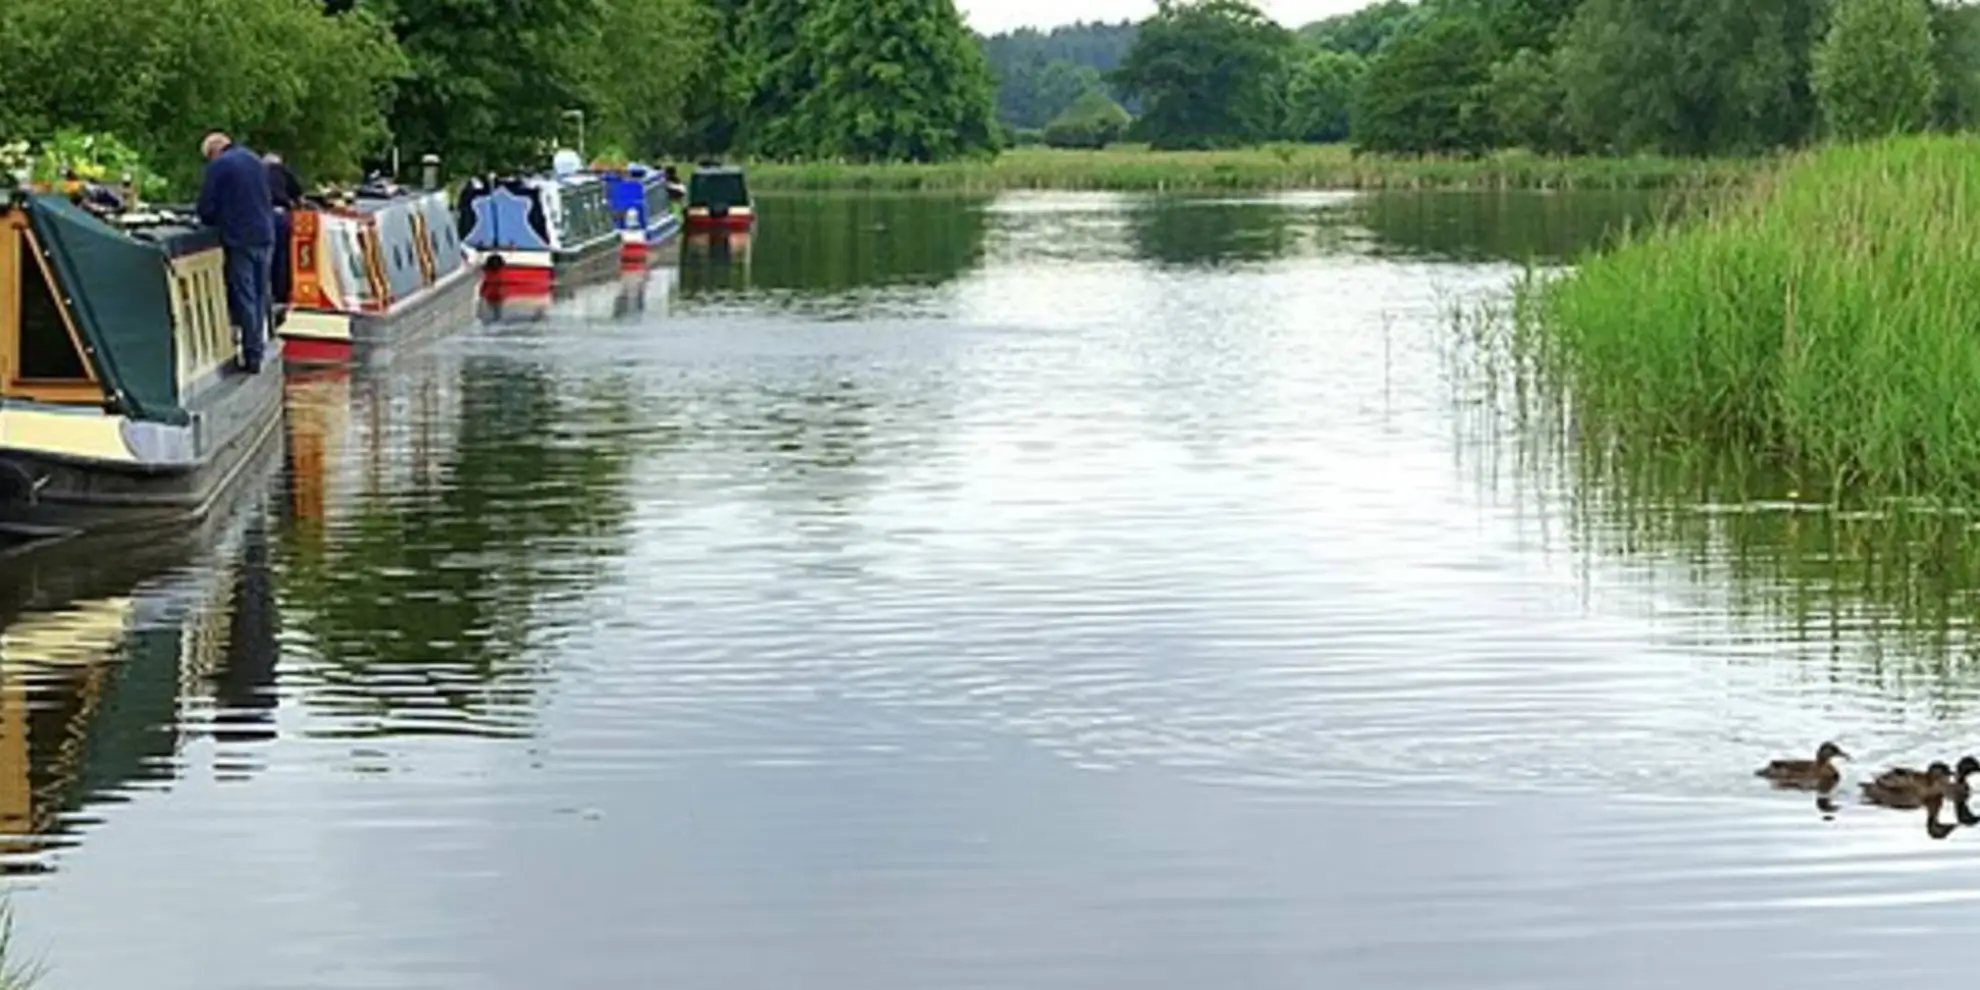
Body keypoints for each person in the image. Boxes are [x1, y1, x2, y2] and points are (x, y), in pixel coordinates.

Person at [196, 131, 275, 373]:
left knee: (245, 295)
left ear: (213, 152)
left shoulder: (220, 165)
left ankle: (251, 355)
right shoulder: (255, 160)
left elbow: (206, 206)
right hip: (265, 234)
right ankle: (260, 345)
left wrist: (208, 220)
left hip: (240, 238)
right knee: (260, 294)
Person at [263, 152, 302, 319]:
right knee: (283, 256)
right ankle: (281, 295)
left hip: (262, 216)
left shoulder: (257, 173)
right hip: (281, 215)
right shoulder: (283, 171)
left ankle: (266, 293)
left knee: (265, 255)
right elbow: (298, 193)